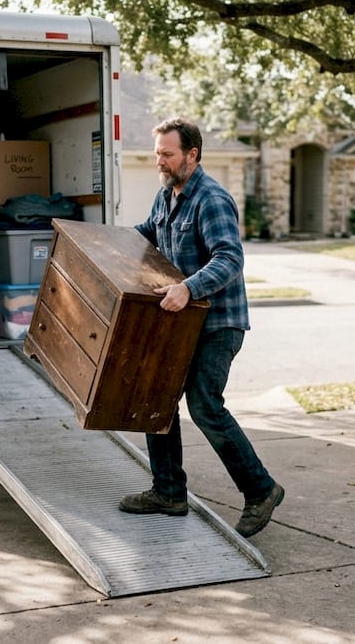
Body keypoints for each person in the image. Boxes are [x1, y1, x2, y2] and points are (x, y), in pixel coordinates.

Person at [119, 117, 284, 538]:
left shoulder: (211, 199)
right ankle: (169, 492)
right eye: (157, 153)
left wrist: (188, 288)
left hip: (218, 323)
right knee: (157, 396)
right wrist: (106, 243)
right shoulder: (166, 196)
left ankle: (261, 490)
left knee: (205, 405)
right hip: (184, 324)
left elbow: (229, 258)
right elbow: (146, 235)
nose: (160, 160)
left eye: (167, 154)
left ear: (192, 155)